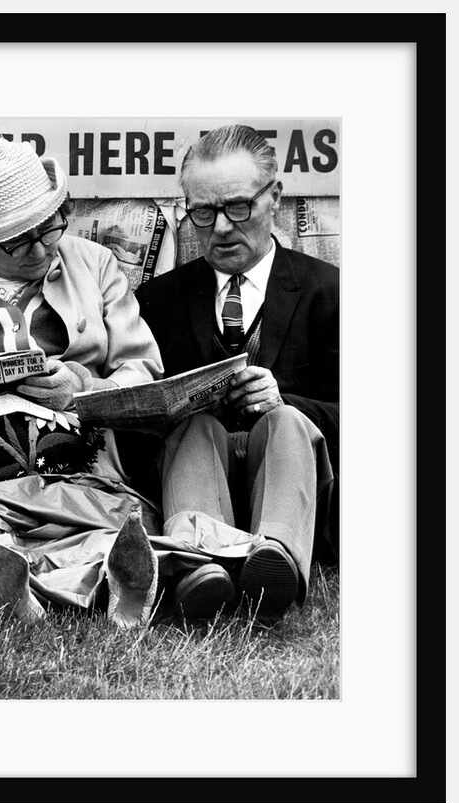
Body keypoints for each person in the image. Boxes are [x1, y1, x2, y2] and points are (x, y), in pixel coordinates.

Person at [0, 136, 259, 630]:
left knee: (104, 528)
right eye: (18, 241)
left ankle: (70, 581)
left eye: (49, 228)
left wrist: (82, 386)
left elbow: (142, 370)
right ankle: (11, 584)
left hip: (82, 467)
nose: (41, 248)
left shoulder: (94, 265)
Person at [135, 124, 339, 622]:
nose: (222, 227)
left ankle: (276, 557)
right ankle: (200, 562)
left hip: (297, 495)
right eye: (204, 213)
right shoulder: (156, 302)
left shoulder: (331, 293)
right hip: (195, 483)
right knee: (193, 428)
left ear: (275, 198)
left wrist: (285, 402)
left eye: (238, 207)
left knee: (287, 422)